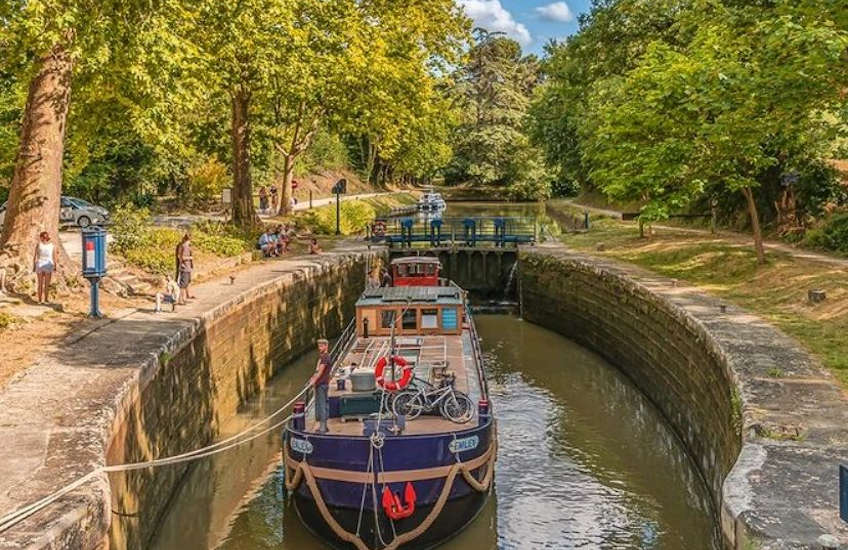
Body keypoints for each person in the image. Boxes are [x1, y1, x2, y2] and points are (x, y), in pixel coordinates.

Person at [310, 338, 332, 433]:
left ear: (326, 346)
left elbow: (320, 371)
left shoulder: (324, 358)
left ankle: (322, 428)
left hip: (321, 384)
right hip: (324, 383)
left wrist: (313, 381)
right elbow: (317, 371)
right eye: (319, 346)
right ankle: (324, 426)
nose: (320, 348)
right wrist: (312, 378)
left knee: (322, 404)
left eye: (321, 346)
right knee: (324, 403)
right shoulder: (324, 357)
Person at [33, 231, 57, 304]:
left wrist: (34, 266)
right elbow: (54, 257)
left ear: (41, 237)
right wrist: (55, 266)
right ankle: (46, 299)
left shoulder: (38, 245)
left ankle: (39, 300)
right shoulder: (52, 245)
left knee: (40, 283)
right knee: (47, 284)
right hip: (48, 264)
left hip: (40, 264)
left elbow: (35, 256)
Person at [177, 233, 193, 303]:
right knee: (183, 284)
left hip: (187, 267)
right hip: (185, 267)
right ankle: (180, 299)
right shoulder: (185, 246)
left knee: (187, 282)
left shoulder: (184, 245)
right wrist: (190, 258)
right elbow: (182, 257)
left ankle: (185, 297)